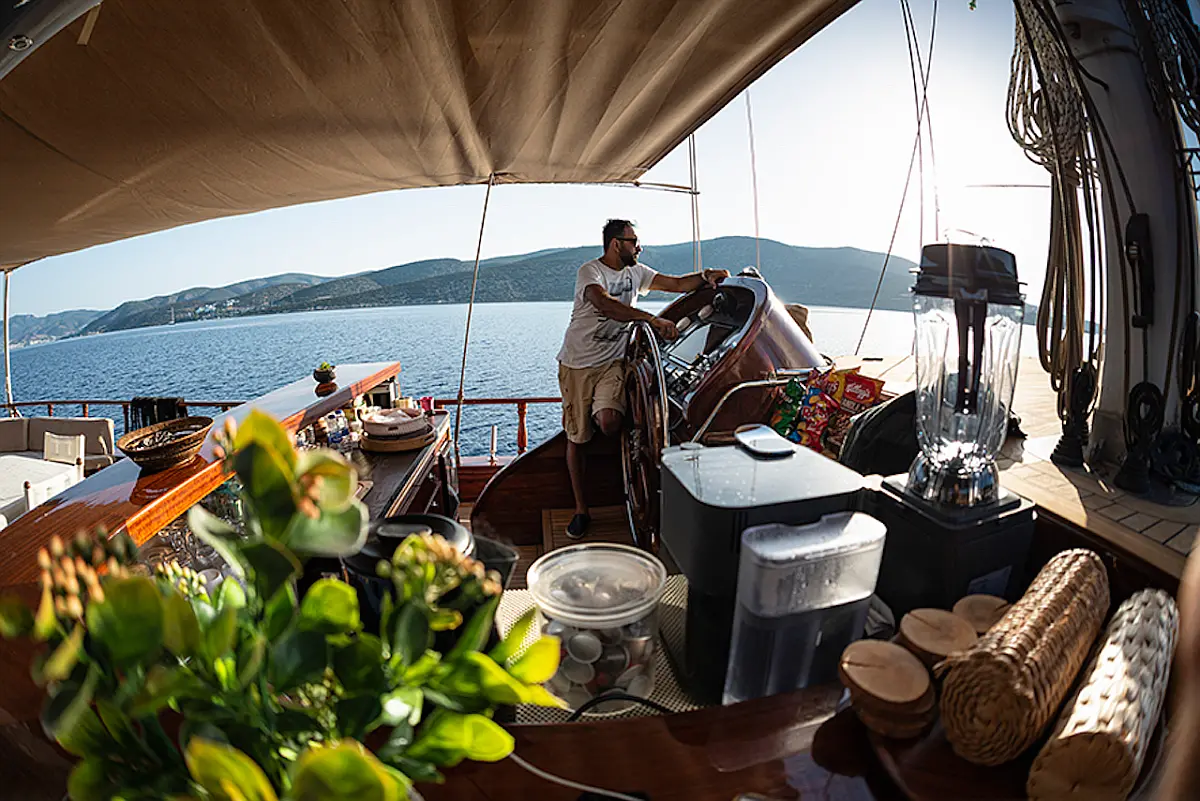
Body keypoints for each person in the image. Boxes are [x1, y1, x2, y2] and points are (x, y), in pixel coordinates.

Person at [556, 219, 729, 539]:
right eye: (633, 242)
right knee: (577, 439)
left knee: (609, 422)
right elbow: (605, 304)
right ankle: (581, 509)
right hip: (577, 364)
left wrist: (706, 276)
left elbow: (677, 284)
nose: (638, 248)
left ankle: (621, 449)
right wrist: (652, 320)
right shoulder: (590, 272)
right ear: (615, 244)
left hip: (612, 363)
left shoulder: (636, 272)